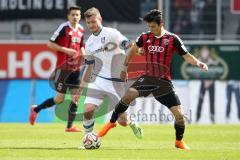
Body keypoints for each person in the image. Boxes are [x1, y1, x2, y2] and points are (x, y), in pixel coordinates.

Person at [98, 9, 208, 150]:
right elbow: (132, 50)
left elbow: (186, 55)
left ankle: (178, 142)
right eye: (149, 27)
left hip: (164, 83)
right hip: (148, 79)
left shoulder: (173, 39)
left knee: (180, 116)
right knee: (128, 95)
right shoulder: (145, 37)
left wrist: (199, 63)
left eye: (153, 27)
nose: (150, 29)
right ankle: (112, 122)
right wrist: (124, 69)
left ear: (161, 24)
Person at [82, 7, 143, 139]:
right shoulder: (89, 44)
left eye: (94, 21)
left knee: (122, 121)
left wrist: (138, 50)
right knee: (87, 111)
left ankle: (132, 122)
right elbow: (88, 66)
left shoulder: (111, 33)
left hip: (115, 81)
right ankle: (88, 138)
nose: (91, 25)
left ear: (100, 19)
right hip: (98, 80)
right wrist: (81, 86)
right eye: (89, 23)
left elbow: (126, 44)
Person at [29, 5, 85, 132]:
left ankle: (69, 127)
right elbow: (49, 43)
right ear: (68, 16)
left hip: (75, 69)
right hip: (63, 70)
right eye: (73, 15)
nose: (75, 17)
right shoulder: (63, 28)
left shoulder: (81, 30)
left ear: (80, 16)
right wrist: (65, 50)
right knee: (59, 99)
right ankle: (36, 109)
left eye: (77, 15)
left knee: (76, 97)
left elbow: (81, 46)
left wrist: (84, 54)